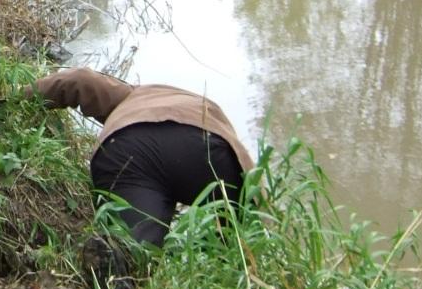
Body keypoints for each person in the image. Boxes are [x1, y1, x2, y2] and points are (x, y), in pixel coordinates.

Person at [24, 67, 254, 249]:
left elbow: (79, 79)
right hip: (201, 145)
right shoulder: (204, 106)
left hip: (127, 150)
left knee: (135, 245)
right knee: (240, 236)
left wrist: (12, 97)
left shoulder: (131, 94)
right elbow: (249, 172)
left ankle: (121, 269)